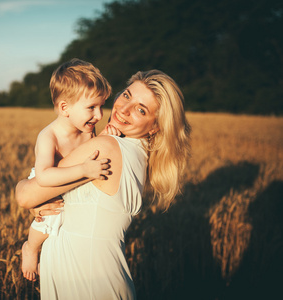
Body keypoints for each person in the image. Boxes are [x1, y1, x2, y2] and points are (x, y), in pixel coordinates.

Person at [16, 69, 191, 299]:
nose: (124, 109)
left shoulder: (106, 147)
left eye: (141, 110)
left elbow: (26, 196)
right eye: (127, 95)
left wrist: (35, 200)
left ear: (156, 126)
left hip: (85, 284)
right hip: (96, 279)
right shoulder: (135, 153)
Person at [21, 58, 113, 281]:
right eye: (91, 107)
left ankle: (57, 267)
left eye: (101, 107)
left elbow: (91, 152)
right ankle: (30, 248)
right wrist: (83, 170)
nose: (99, 115)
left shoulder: (86, 127)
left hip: (76, 177)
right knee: (47, 220)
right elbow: (43, 176)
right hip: (51, 179)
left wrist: (106, 138)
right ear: (64, 108)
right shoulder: (48, 136)